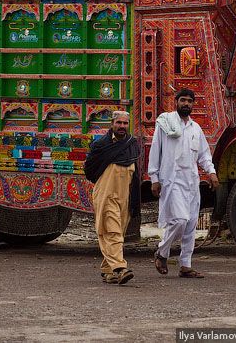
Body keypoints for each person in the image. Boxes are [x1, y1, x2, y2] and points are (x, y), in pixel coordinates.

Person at [148, 88, 219, 278]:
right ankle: (162, 252)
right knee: (179, 220)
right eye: (183, 100)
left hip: (191, 182)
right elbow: (156, 150)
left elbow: (204, 155)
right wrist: (154, 178)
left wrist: (211, 172)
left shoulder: (196, 129)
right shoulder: (166, 122)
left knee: (191, 225)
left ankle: (185, 265)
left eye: (189, 101)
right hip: (172, 180)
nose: (186, 104)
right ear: (176, 101)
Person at [84, 111, 141, 285]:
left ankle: (108, 271)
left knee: (118, 232)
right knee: (112, 231)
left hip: (124, 196)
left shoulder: (132, 145)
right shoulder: (101, 145)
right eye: (119, 123)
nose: (122, 126)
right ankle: (120, 268)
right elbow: (90, 168)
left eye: (125, 123)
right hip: (106, 194)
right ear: (112, 124)